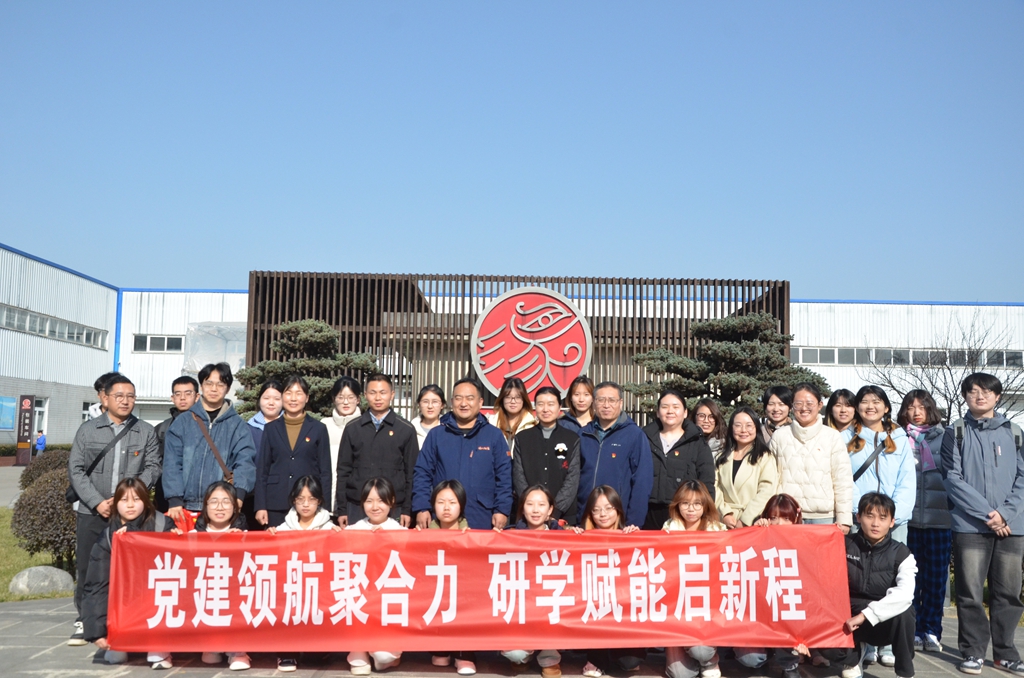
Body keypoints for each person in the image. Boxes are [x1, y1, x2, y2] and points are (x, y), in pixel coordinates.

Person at [941, 372, 1024, 676]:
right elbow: (952, 479)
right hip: (971, 526)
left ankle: (1005, 654)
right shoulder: (956, 432)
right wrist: (990, 515)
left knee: (1008, 593)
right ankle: (973, 652)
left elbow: (1023, 478)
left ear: (997, 396)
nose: (980, 396)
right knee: (970, 593)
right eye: (973, 391)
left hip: (1012, 526)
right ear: (965, 396)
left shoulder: (1014, 432)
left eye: (986, 391)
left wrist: (1006, 514)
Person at [67, 374, 160, 646]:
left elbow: (153, 467)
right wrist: (97, 501)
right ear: (105, 398)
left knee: (133, 568)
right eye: (119, 396)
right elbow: (76, 469)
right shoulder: (87, 431)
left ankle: (129, 617)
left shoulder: (145, 431)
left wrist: (129, 498)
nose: (125, 401)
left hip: (130, 513)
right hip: (92, 511)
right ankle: (85, 620)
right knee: (88, 566)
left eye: (130, 396)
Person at [81, 477, 176, 669]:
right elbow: (96, 584)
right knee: (116, 657)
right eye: (124, 500)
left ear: (146, 501)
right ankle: (122, 637)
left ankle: (159, 644)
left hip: (155, 597)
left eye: (136, 499)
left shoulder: (162, 524)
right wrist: (96, 631)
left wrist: (178, 539)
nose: (130, 505)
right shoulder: (108, 536)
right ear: (115, 503)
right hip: (125, 602)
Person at [823, 492, 918, 678]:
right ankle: (853, 656)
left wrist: (866, 615)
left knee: (906, 612)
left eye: (882, 518)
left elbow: (905, 594)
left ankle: (905, 672)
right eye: (869, 516)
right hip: (847, 617)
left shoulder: (902, 553)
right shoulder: (842, 544)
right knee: (827, 648)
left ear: (892, 522)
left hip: (881, 618)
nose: (875, 524)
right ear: (858, 517)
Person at [162, 362, 257, 525]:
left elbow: (245, 462)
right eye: (209, 383)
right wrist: (174, 498)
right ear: (201, 386)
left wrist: (239, 495)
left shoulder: (237, 425)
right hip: (185, 507)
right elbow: (172, 462)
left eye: (220, 384)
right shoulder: (183, 422)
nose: (214, 389)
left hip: (222, 508)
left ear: (227, 389)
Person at [412, 377, 512, 530]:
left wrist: (502, 509)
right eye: (458, 398)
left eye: (470, 398)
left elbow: (504, 476)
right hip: (443, 518)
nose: (464, 403)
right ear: (452, 401)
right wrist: (421, 507)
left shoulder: (494, 435)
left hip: (482, 515)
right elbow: (422, 473)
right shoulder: (437, 434)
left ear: (480, 402)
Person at [266, 475, 339, 673]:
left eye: (311, 499)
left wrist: (340, 538)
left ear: (319, 501)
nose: (306, 504)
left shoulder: (330, 528)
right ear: (293, 500)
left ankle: (318, 647)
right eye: (300, 499)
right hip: (292, 588)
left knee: (315, 659)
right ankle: (287, 651)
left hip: (319, 590)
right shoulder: (282, 528)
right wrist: (270, 537)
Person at [897, 389, 949, 654]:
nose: (916, 412)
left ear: (931, 409)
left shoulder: (946, 437)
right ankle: (914, 629)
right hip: (908, 520)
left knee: (936, 580)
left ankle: (931, 629)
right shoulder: (898, 438)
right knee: (909, 580)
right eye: (911, 407)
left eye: (922, 406)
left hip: (940, 520)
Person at [574, 486, 642, 677]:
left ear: (618, 509)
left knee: (630, 662)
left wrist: (637, 536)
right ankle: (596, 659)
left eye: (608, 508)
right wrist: (573, 538)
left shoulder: (629, 534)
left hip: (623, 606)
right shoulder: (582, 536)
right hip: (594, 604)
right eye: (596, 510)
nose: (603, 514)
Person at [336, 374, 419, 527]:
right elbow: (343, 471)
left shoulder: (405, 429)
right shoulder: (353, 428)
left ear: (392, 395)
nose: (378, 397)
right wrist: (342, 509)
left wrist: (407, 509)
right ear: (365, 395)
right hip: (357, 507)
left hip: (394, 507)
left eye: (383, 392)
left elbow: (411, 474)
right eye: (373, 393)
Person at [498, 485, 564, 678]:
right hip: (521, 606)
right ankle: (524, 657)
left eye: (541, 505)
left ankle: (549, 657)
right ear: (522, 508)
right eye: (530, 504)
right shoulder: (509, 535)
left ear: (550, 509)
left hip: (551, 603)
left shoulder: (563, 536)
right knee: (515, 653)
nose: (535, 510)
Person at [770, 382, 853, 531]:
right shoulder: (780, 436)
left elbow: (842, 480)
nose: (804, 408)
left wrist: (844, 519)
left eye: (809, 403)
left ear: (820, 405)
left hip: (824, 518)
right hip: (787, 516)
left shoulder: (832, 436)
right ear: (792, 406)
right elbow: (770, 478)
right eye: (798, 403)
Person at [662, 480, 724, 678]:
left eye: (697, 504)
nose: (691, 509)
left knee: (702, 652)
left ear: (705, 505)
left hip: (706, 605)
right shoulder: (668, 529)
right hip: (677, 605)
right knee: (680, 674)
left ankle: (709, 661)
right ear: (677, 505)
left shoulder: (718, 531)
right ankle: (687, 653)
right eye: (685, 503)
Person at [254, 375, 332, 528]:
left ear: (307, 398)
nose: (293, 398)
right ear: (282, 396)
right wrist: (260, 505)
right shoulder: (271, 429)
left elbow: (325, 472)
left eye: (299, 393)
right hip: (276, 501)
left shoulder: (318, 429)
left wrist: (325, 507)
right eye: (288, 393)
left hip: (308, 503)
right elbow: (262, 470)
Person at [345, 477, 404, 675]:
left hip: (387, 604)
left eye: (381, 501)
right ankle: (358, 650)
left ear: (392, 501)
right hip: (361, 601)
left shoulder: (401, 531)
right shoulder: (354, 529)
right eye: (369, 501)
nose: (375, 507)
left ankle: (387, 656)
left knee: (383, 658)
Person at [845, 386, 916, 543]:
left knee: (893, 559)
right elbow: (843, 480)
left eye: (876, 402)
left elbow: (907, 481)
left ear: (886, 408)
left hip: (894, 523)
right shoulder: (845, 438)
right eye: (864, 402)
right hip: (858, 520)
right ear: (857, 407)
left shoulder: (900, 439)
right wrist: (863, 513)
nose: (870, 406)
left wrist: (891, 517)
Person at [190, 481, 250, 670]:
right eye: (214, 502)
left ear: (235, 506)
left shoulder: (244, 534)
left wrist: (239, 542)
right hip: (205, 596)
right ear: (205, 505)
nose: (220, 507)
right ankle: (212, 644)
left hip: (234, 596)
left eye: (226, 502)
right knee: (209, 658)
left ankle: (238, 651)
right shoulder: (193, 535)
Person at [576, 381, 652, 528]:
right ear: (594, 402)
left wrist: (633, 522)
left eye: (612, 400)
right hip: (586, 517)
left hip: (619, 520)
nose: (606, 405)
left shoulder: (634, 435)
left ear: (620, 403)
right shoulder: (583, 434)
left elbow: (642, 482)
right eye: (601, 400)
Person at [644, 389, 715, 529]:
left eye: (676, 407)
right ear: (658, 412)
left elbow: (707, 482)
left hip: (685, 516)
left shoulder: (697, 443)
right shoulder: (644, 439)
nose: (670, 411)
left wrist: (706, 516)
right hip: (648, 514)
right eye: (665, 407)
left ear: (685, 413)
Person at [421, 479, 471, 672]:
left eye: (452, 502)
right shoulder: (423, 536)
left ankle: (464, 652)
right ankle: (439, 647)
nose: (447, 508)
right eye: (441, 502)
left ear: (461, 505)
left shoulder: (472, 535)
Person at [512, 386, 581, 524]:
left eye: (551, 404)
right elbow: (518, 476)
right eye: (540, 404)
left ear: (559, 407)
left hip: (563, 516)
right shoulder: (522, 438)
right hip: (529, 516)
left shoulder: (572, 439)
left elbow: (572, 479)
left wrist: (555, 511)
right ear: (535, 407)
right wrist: (531, 506)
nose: (545, 409)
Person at [714, 406, 779, 528]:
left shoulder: (765, 457)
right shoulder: (720, 458)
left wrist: (745, 520)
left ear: (756, 428)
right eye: (738, 425)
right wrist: (725, 514)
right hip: (724, 523)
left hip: (753, 522)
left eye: (749, 425)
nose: (743, 430)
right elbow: (714, 488)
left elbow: (767, 491)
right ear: (731, 428)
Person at [153, 376, 200, 512]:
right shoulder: (162, 428)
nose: (182, 398)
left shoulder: (207, 426)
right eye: (178, 394)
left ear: (197, 397)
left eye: (188, 393)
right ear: (172, 398)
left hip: (197, 495)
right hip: (167, 496)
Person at [323, 376, 362, 512]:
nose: (345, 402)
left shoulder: (365, 426)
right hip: (327, 493)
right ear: (334, 399)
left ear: (358, 399)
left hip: (356, 497)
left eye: (350, 397)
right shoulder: (324, 425)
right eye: (340, 397)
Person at [488, 376, 537, 451]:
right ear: (502, 399)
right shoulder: (491, 425)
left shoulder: (532, 426)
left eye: (518, 397)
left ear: (523, 400)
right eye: (508, 397)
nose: (513, 401)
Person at [246, 379, 283, 453]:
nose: (271, 403)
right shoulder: (249, 428)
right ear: (259, 400)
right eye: (266, 398)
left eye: (277, 399)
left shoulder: (291, 425)